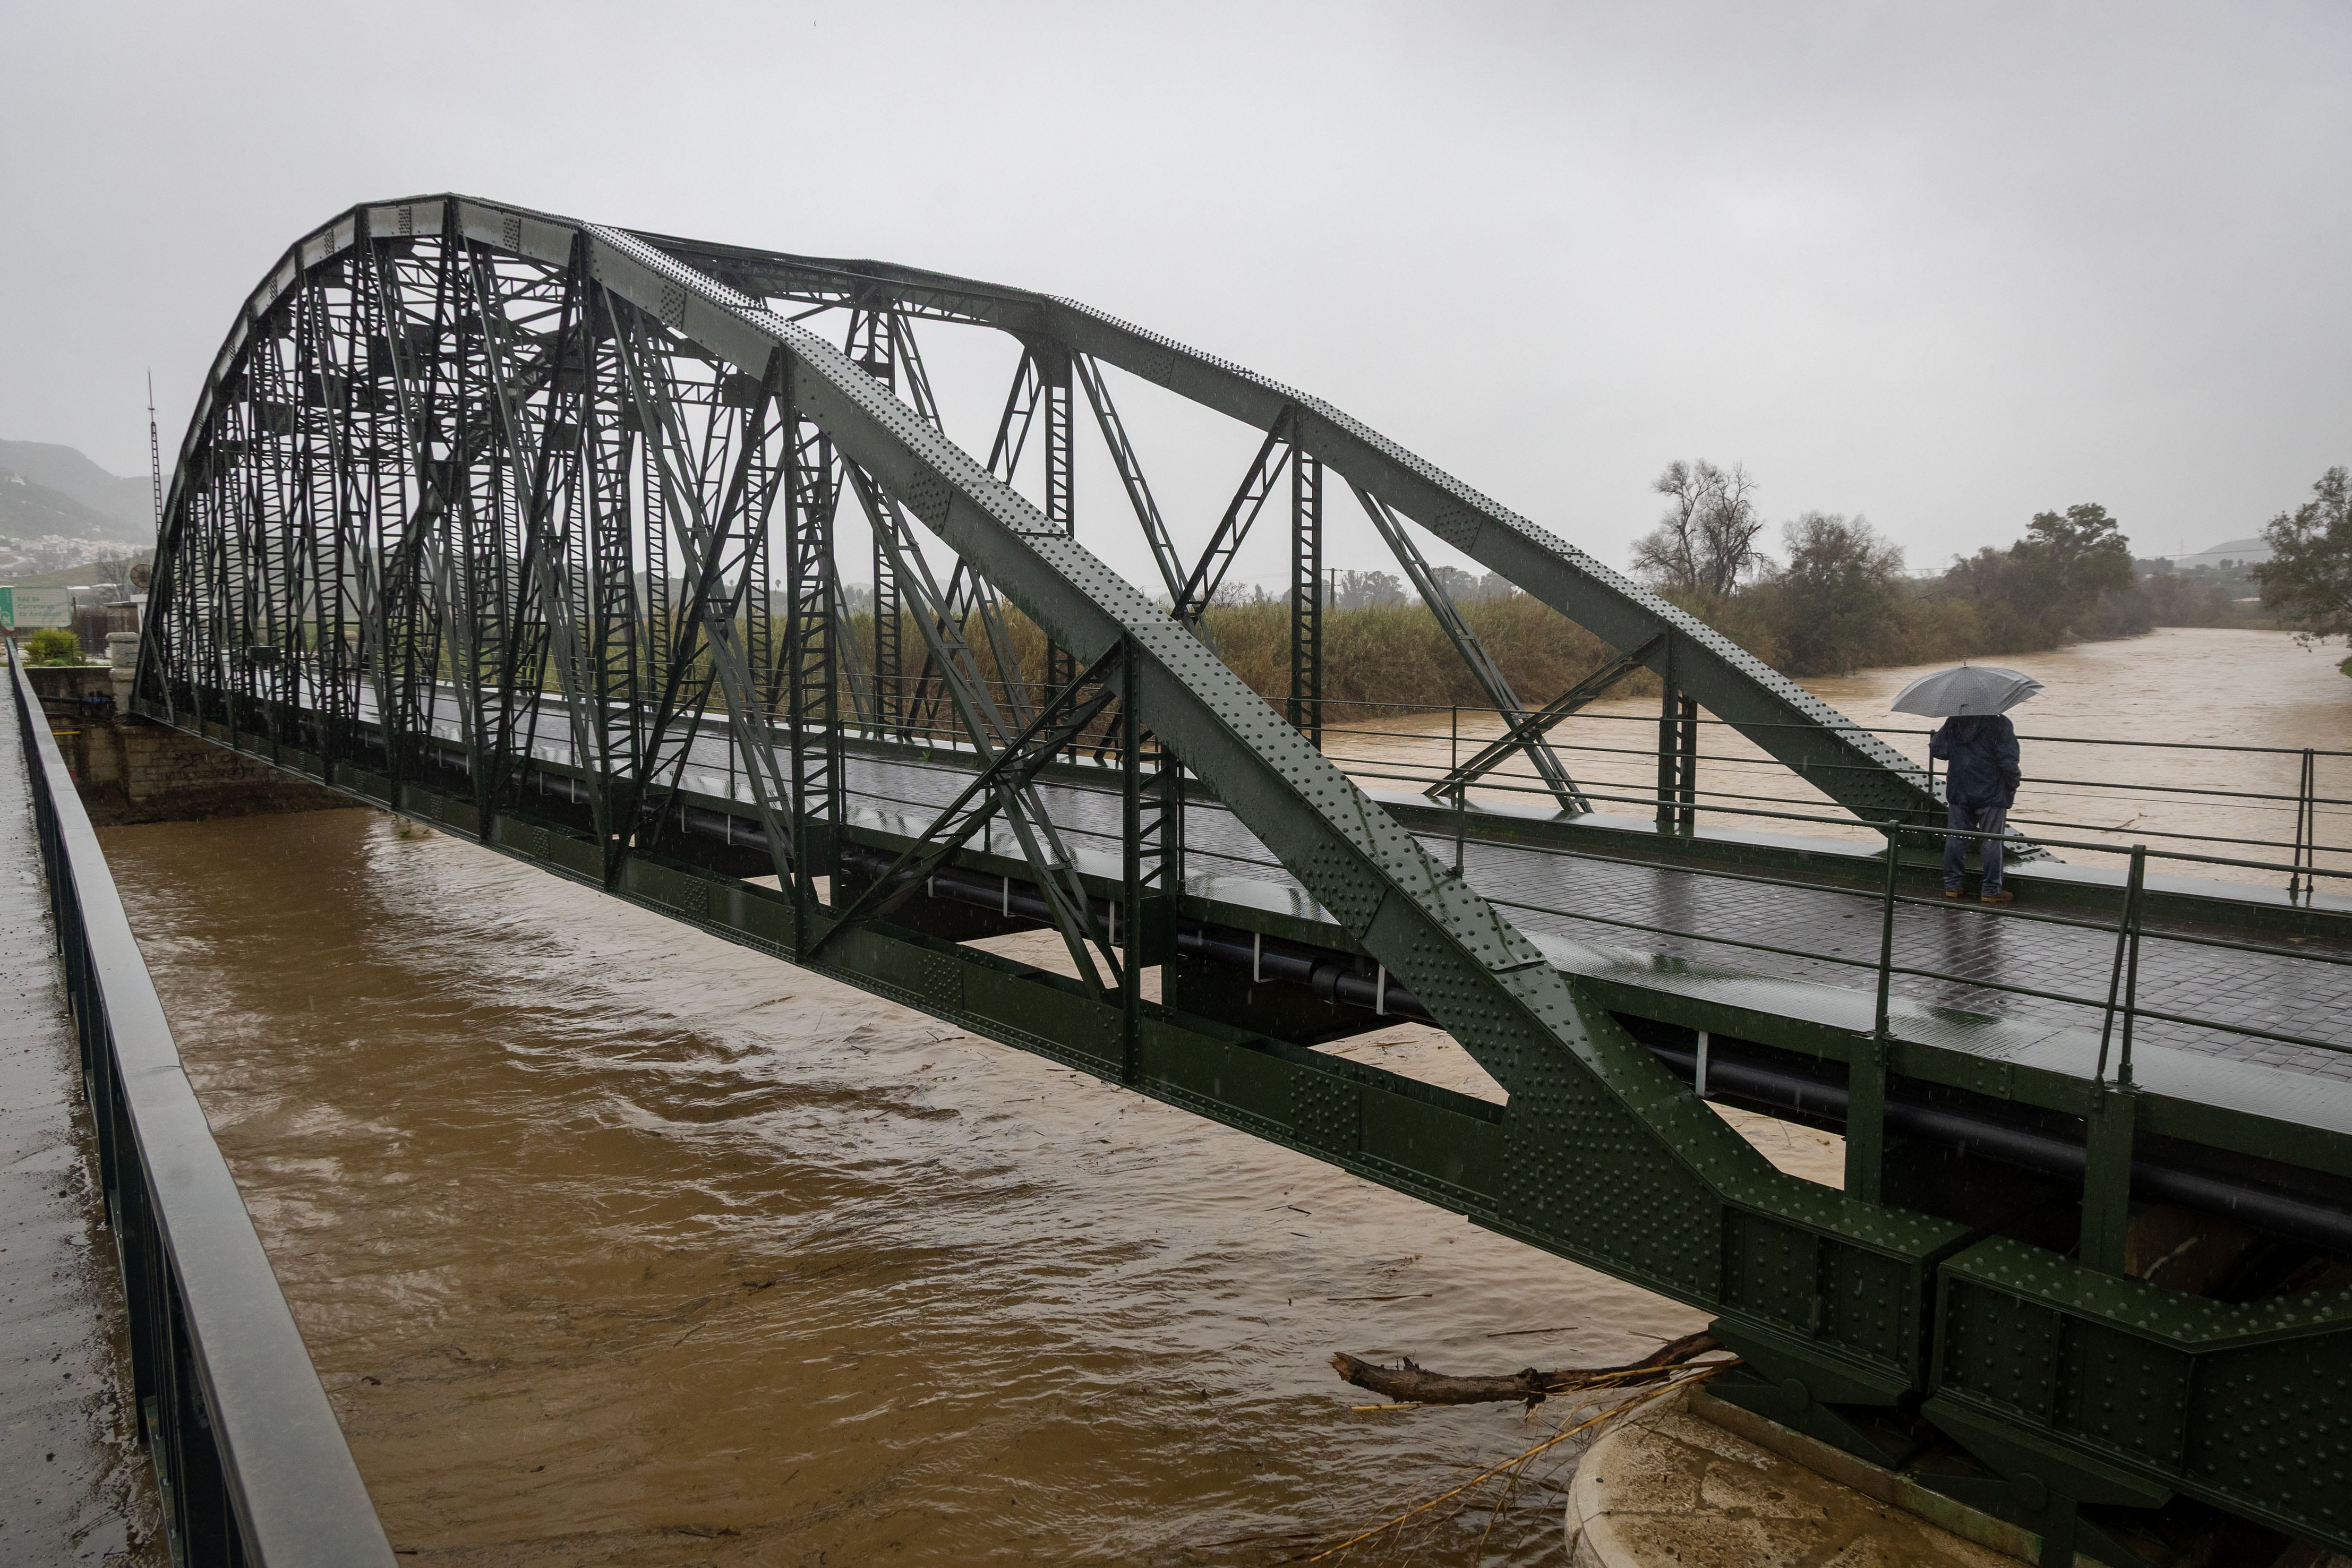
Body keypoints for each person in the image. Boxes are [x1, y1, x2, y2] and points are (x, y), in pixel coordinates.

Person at [1931, 713, 2021, 903]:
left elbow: (1938, 749)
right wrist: (2012, 785)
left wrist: (1959, 753)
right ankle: (1990, 890)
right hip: (1991, 792)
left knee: (1956, 837)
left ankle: (1952, 886)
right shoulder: (2000, 723)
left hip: (1960, 789)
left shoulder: (1955, 721)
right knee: (1992, 840)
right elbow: (2008, 760)